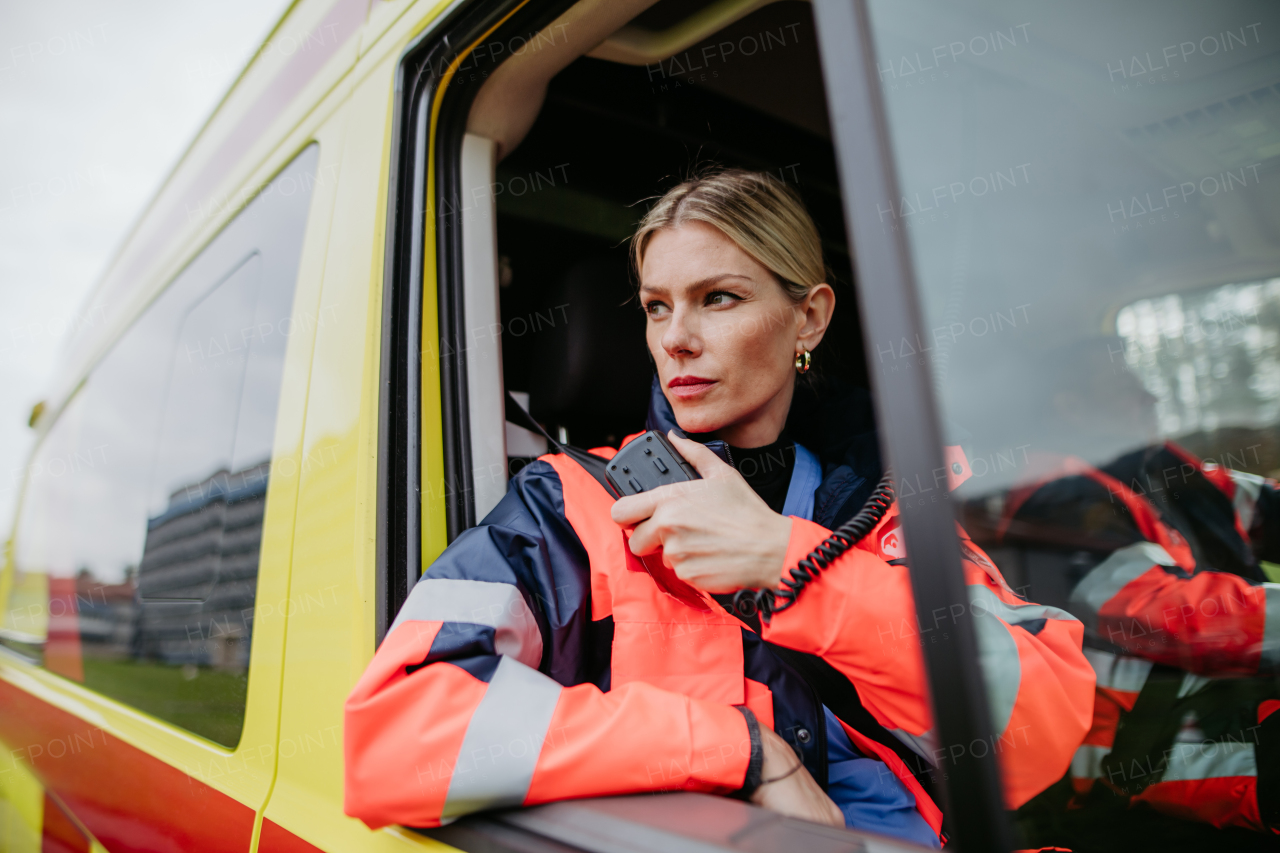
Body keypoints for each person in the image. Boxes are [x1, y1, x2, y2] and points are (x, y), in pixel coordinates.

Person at [343, 169, 1094, 847]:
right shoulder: (569, 504)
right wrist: (738, 748)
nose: (675, 338)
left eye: (719, 298)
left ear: (809, 319)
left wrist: (787, 561)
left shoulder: (887, 498)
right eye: (656, 306)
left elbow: (1040, 732)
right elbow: (393, 733)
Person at [996, 340, 1280, 844]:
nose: (1149, 396)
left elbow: (1256, 505)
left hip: (1226, 694)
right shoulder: (1053, 501)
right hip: (1150, 742)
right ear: (1073, 407)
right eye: (1126, 388)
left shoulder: (1152, 466)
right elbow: (1176, 618)